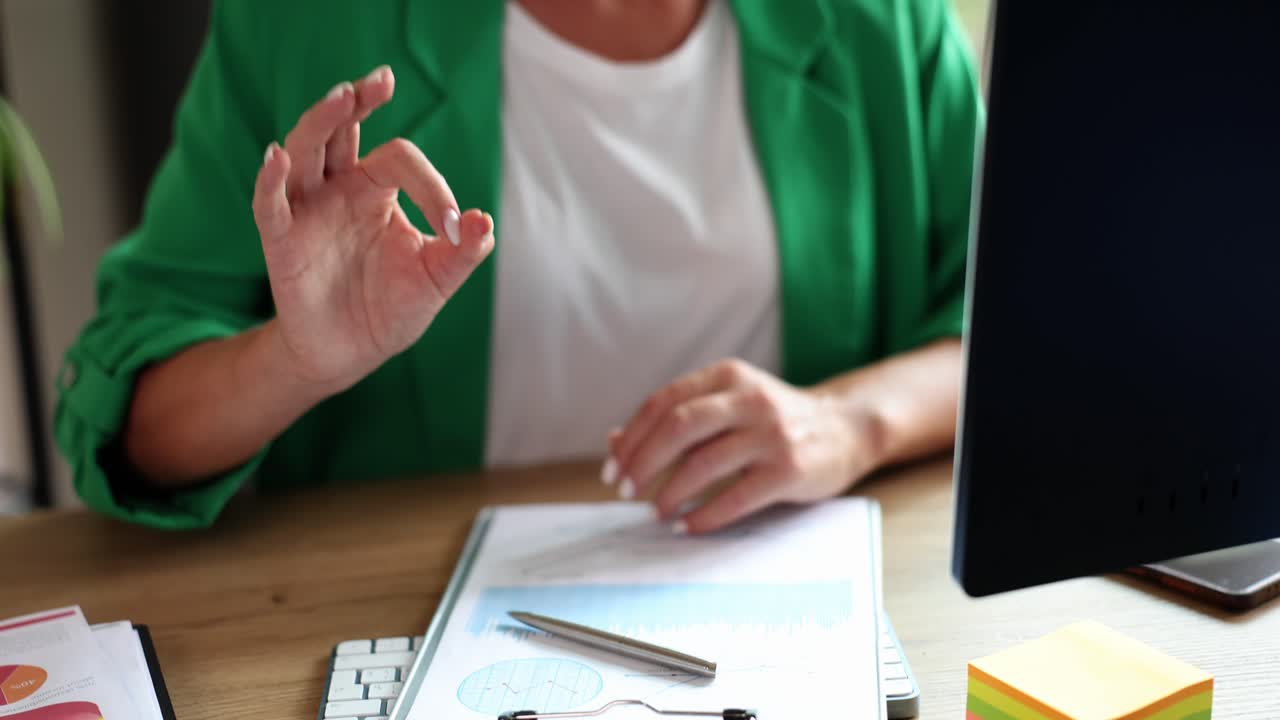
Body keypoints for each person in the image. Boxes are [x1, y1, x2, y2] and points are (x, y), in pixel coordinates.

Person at [55, 0, 982, 532]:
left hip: (786, 593)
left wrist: (850, 422)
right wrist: (294, 360)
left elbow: (1011, 327)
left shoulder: (881, 23)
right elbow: (129, 423)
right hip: (404, 616)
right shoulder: (305, 22)